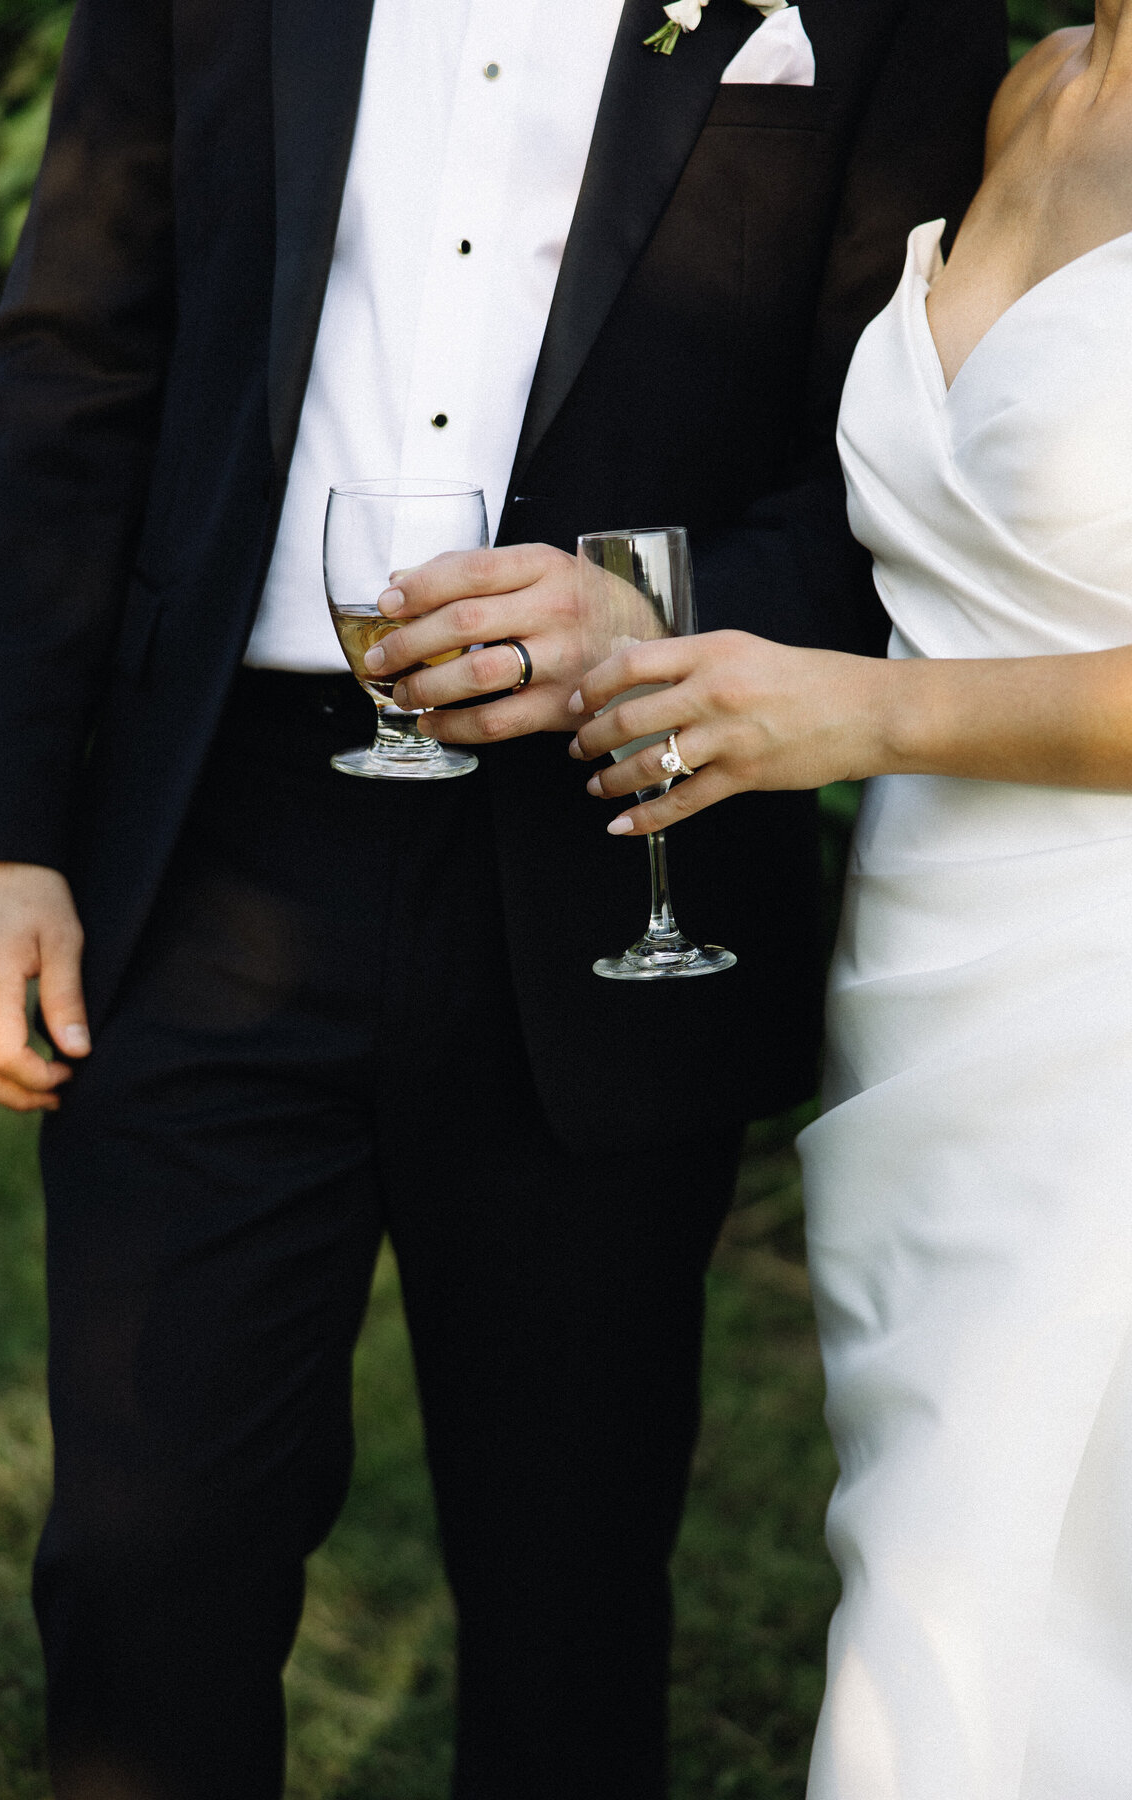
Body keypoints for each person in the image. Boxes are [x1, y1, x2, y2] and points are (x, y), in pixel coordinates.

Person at [0, 2, 1005, 1796]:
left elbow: (895, 474)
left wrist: (651, 605)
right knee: (144, 1557)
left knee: (570, 1585)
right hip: (219, 837)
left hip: (628, 838)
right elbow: (75, 357)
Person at [571, 5, 1132, 1794]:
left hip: (1103, 1013)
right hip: (925, 994)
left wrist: (866, 714)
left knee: (976, 1620)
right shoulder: (1033, 83)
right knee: (956, 1576)